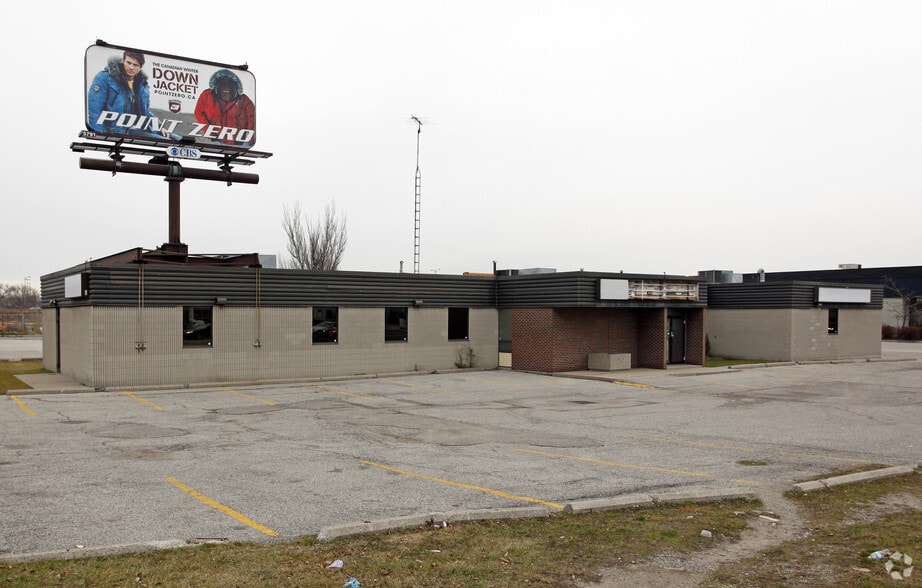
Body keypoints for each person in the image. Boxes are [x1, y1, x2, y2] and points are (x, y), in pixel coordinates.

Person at [87, 50, 176, 140]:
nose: (131, 67)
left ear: (140, 67)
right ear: (123, 61)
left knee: (178, 139)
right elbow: (94, 110)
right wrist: (102, 135)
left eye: (135, 65)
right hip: (119, 130)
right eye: (128, 63)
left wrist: (160, 126)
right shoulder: (104, 78)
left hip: (141, 128)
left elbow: (146, 112)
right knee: (168, 142)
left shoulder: (142, 84)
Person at [194, 69, 256, 147]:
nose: (226, 89)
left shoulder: (244, 101)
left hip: (237, 145)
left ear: (236, 87)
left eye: (229, 85)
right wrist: (210, 134)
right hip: (215, 142)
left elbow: (252, 119)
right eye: (223, 84)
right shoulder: (207, 95)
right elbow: (199, 112)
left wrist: (247, 141)